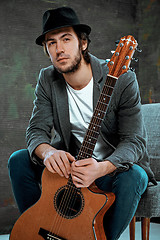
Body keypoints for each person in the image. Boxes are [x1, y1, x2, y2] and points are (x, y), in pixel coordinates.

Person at [8, 7, 156, 240]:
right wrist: (47, 153)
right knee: (18, 160)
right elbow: (36, 130)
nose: (60, 49)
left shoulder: (122, 77)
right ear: (47, 50)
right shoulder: (47, 78)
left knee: (135, 176)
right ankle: (36, 231)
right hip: (70, 167)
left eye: (66, 39)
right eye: (51, 43)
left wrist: (102, 167)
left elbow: (135, 141)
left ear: (83, 43)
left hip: (109, 170)